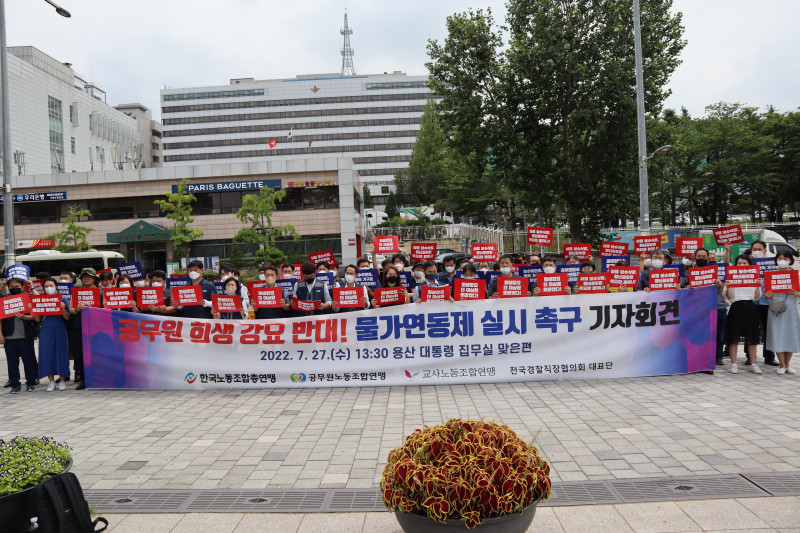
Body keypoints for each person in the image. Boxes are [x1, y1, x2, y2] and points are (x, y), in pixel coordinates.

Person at [762, 251, 800, 374]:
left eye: (785, 258)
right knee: (778, 334)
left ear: (790, 260)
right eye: (780, 258)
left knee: (790, 334)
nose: (782, 260)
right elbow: (767, 296)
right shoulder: (771, 276)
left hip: (791, 308)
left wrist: (797, 294)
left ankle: (788, 364)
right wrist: (767, 295)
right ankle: (782, 365)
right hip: (776, 309)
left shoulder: (797, 275)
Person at [725, 255, 763, 374]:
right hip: (736, 308)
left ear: (749, 264)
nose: (742, 265)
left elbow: (756, 297)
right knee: (733, 338)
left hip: (750, 308)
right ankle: (734, 364)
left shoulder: (754, 277)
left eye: (744, 263)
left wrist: (758, 286)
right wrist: (728, 286)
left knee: (752, 338)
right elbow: (729, 297)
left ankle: (754, 363)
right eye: (739, 263)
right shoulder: (732, 278)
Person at [1, 277, 39, 394]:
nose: (14, 288)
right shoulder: (4, 299)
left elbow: (39, 299)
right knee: (12, 363)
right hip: (9, 337)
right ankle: (15, 385)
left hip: (25, 336)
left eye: (17, 286)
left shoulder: (27, 297)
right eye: (11, 286)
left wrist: (32, 286)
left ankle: (31, 383)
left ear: (23, 287)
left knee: (28, 362)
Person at [68, 268, 103, 390]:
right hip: (80, 327)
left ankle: (99, 379)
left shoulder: (101, 292)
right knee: (81, 354)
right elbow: (71, 310)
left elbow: (108, 309)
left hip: (98, 328)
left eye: (89, 276)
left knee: (98, 353)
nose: (86, 278)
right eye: (84, 276)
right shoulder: (76, 293)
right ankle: (84, 380)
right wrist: (77, 308)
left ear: (94, 278)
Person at [35, 278, 71, 391]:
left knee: (61, 353)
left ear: (56, 286)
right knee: (47, 354)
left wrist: (63, 309)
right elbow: (37, 319)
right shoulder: (41, 299)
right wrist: (33, 309)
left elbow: (68, 317)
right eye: (46, 286)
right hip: (46, 329)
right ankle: (51, 381)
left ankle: (62, 380)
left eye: (51, 285)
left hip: (60, 329)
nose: (48, 288)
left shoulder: (62, 298)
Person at [747, 241, 778, 366]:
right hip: (752, 301)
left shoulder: (771, 265)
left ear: (765, 251)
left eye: (760, 249)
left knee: (768, 330)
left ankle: (769, 356)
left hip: (767, 302)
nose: (757, 251)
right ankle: (749, 356)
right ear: (751, 250)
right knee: (750, 330)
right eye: (755, 249)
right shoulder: (747, 264)